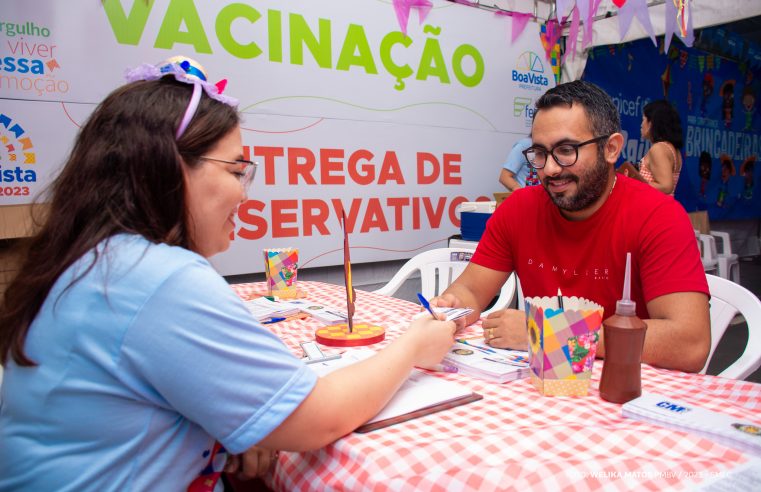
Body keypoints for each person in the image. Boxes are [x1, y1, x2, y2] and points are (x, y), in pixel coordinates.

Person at [0, 58, 457, 490]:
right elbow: (318, 417)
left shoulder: (94, 262)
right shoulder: (159, 278)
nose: (245, 194)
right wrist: (414, 345)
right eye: (237, 170)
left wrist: (232, 429)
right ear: (171, 166)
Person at [432, 80, 710, 374]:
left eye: (566, 150)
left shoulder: (659, 215)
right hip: (540, 386)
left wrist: (546, 334)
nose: (550, 169)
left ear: (611, 149)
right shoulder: (518, 209)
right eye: (539, 153)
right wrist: (453, 305)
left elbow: (690, 343)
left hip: (627, 392)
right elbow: (471, 291)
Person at [623, 100, 684, 195]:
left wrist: (633, 183)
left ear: (651, 123)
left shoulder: (658, 149)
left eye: (643, 119)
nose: (641, 125)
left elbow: (666, 186)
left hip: (652, 208)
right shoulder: (673, 150)